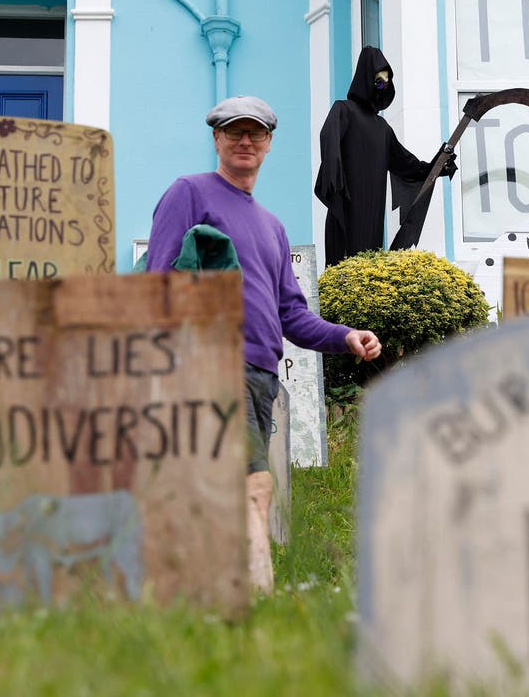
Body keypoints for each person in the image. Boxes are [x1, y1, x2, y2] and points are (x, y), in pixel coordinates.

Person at [146, 95, 382, 594]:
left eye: (255, 133)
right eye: (234, 132)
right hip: (209, 366)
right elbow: (158, 282)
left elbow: (291, 315)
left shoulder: (273, 228)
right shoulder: (189, 193)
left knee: (220, 484)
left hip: (260, 377)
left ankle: (199, 591)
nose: (245, 141)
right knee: (253, 483)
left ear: (270, 143)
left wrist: (345, 337)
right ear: (217, 139)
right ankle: (257, 593)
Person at [315, 46, 455, 267]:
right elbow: (329, 143)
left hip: (372, 214)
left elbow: (408, 166)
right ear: (365, 80)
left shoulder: (383, 129)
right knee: (342, 267)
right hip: (346, 207)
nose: (382, 87)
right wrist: (336, 187)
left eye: (386, 82)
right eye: (378, 81)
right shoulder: (343, 111)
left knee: (369, 269)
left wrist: (438, 164)